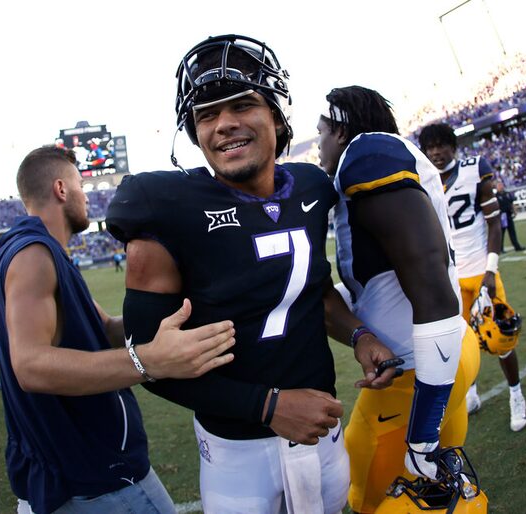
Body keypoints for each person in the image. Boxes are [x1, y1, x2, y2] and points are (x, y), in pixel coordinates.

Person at [106, 35, 397, 514]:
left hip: (321, 431)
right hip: (237, 451)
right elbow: (151, 364)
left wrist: (360, 335)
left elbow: (314, 292)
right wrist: (268, 406)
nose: (224, 125)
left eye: (242, 105)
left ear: (277, 117)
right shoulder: (164, 208)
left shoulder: (312, 186)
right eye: (206, 115)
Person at [0, 145, 237, 514]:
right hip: (92, 475)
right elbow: (30, 365)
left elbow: (105, 329)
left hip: (76, 470)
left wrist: (184, 310)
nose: (85, 195)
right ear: (61, 189)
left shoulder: (48, 253)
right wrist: (148, 362)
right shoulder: (34, 255)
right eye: (80, 185)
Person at [316, 87, 483, 513]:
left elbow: (427, 276)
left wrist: (423, 425)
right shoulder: (390, 154)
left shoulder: (366, 151)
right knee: (433, 496)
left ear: (340, 129)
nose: (318, 146)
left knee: (373, 499)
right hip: (445, 352)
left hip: (417, 371)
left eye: (321, 134)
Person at [419, 122, 526, 432]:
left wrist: (491, 270)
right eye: (431, 147)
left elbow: (495, 225)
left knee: (500, 338)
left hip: (481, 269)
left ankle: (516, 395)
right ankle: (472, 392)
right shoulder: (425, 179)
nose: (437, 152)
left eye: (442, 145)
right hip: (451, 276)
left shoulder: (475, 168)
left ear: (453, 146)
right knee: (460, 344)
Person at [495, 181, 525, 252]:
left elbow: (511, 203)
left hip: (509, 215)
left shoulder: (507, 194)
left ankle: (517, 246)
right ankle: (500, 248)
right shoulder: (495, 196)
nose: (501, 187)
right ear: (496, 187)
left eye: (501, 185)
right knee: (502, 233)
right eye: (499, 186)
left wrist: (515, 211)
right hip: (502, 216)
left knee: (512, 232)